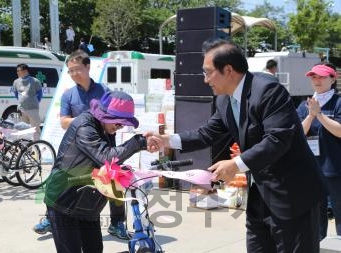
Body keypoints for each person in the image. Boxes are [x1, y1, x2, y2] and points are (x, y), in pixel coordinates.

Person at [147, 39, 327, 253]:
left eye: (208, 72)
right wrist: (167, 140)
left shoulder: (268, 90)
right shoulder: (225, 100)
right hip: (261, 193)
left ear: (228, 70)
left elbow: (277, 139)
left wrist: (235, 165)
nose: (205, 80)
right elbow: (207, 133)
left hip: (294, 194)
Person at [33, 50, 130, 240]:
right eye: (70, 71)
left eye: (77, 69)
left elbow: (114, 117)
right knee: (60, 179)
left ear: (88, 66)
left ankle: (117, 223)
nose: (74, 74)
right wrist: (89, 119)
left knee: (113, 182)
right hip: (77, 149)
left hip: (104, 145)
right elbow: (63, 122)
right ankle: (50, 218)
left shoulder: (104, 91)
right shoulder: (68, 95)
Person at [44, 90, 148, 253]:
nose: (120, 126)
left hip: (87, 203)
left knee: (94, 249)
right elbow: (105, 156)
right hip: (64, 200)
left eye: (123, 123)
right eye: (119, 122)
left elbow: (110, 162)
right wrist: (138, 142)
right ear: (106, 115)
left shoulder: (106, 128)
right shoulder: (85, 126)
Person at [296, 63, 341, 240]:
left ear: (332, 78)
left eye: (322, 76)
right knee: (315, 216)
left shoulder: (338, 103)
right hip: (312, 169)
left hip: (335, 169)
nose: (317, 80)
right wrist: (311, 114)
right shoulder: (304, 105)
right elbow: (297, 133)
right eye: (314, 76)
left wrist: (320, 115)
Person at [12, 63, 42, 140]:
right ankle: (27, 148)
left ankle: (37, 146)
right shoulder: (16, 82)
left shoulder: (35, 81)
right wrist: (22, 102)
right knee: (23, 130)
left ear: (26, 71)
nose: (17, 72)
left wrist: (32, 102)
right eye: (17, 71)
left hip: (33, 109)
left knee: (35, 129)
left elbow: (39, 95)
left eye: (19, 71)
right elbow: (16, 94)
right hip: (22, 110)